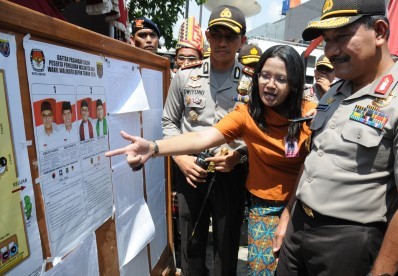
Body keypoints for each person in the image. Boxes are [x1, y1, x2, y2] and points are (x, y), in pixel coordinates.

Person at [106, 44, 316, 275]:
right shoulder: (247, 114)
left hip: (306, 203)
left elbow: (314, 165)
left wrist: (288, 212)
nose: (270, 84)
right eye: (265, 75)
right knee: (262, 271)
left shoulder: (312, 115)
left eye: (281, 79)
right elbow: (202, 138)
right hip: (265, 205)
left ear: (294, 83)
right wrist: (154, 147)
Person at [274, 0, 398, 275]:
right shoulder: (335, 90)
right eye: (326, 40)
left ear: (379, 31)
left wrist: (382, 271)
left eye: (341, 36)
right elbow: (314, 160)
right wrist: (287, 215)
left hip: (348, 245)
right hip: (298, 229)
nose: (330, 51)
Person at [163, 5, 251, 276]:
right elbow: (169, 122)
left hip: (231, 172)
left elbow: (260, 134)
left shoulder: (253, 82)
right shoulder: (184, 76)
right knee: (192, 244)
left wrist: (240, 155)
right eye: (216, 34)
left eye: (230, 36)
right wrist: (180, 158)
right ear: (208, 38)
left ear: (242, 41)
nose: (222, 42)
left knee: (226, 247)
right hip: (192, 172)